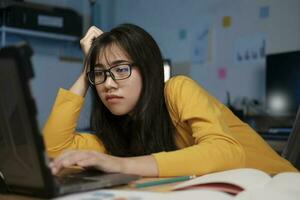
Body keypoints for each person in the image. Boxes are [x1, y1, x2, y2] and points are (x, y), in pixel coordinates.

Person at [44, 24, 297, 177]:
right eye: (100, 74)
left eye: (121, 69)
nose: (108, 83)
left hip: (279, 185)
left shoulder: (177, 89)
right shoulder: (119, 130)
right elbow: (55, 149)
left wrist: (120, 164)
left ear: (148, 69)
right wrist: (87, 70)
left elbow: (227, 152)